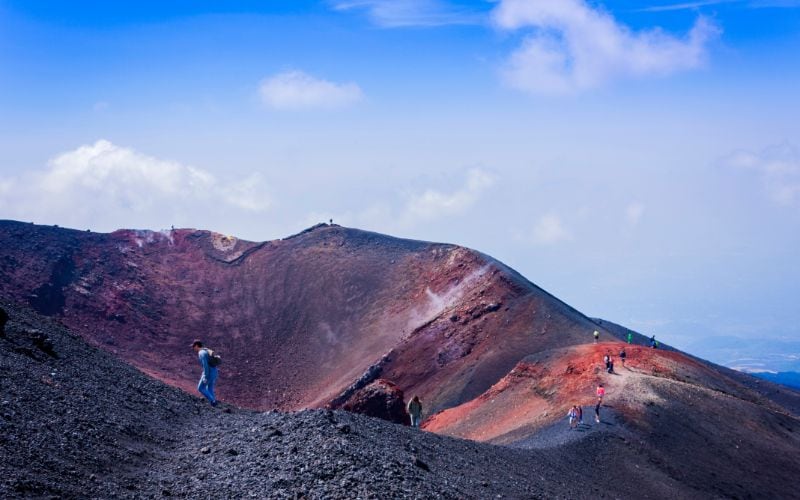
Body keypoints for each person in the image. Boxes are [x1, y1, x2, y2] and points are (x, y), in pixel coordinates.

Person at [192, 340, 218, 406]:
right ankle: (213, 403)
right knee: (210, 387)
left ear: (197, 346)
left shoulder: (201, 353)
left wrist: (205, 376)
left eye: (193, 346)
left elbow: (205, 365)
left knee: (200, 388)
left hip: (208, 372)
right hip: (214, 371)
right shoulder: (206, 350)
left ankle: (213, 400)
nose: (193, 348)